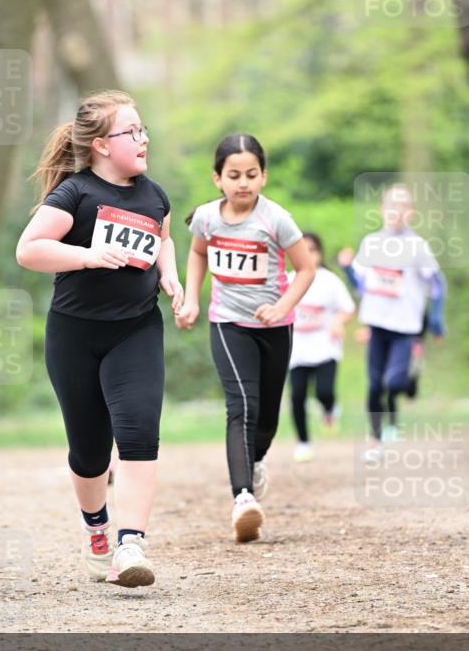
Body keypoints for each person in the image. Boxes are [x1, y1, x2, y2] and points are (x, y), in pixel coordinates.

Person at [16, 90, 182, 588]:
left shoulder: (154, 195)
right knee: (89, 452)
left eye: (143, 128)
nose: (143, 138)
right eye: (132, 132)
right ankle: (97, 529)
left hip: (136, 329)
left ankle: (131, 544)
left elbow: (164, 238)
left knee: (137, 429)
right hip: (74, 335)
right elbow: (29, 249)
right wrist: (87, 255)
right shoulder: (75, 194)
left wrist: (168, 275)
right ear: (103, 145)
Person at [175, 134, 314, 542]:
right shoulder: (206, 217)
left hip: (274, 327)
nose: (243, 183)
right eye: (234, 175)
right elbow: (199, 253)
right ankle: (242, 498)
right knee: (242, 406)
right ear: (217, 178)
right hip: (229, 322)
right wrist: (193, 300)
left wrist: (282, 307)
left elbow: (304, 269)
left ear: (263, 176)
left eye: (251, 175)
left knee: (267, 418)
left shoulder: (276, 220)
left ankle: (253, 464)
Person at [338, 183, 445, 460]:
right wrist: (348, 268)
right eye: (391, 206)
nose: (396, 212)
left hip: (406, 327)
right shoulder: (371, 243)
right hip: (376, 323)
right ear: (382, 210)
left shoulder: (417, 246)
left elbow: (437, 283)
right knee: (375, 385)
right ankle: (375, 441)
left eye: (402, 207)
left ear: (411, 213)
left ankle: (409, 378)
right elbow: (361, 283)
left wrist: (435, 318)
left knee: (393, 382)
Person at [288, 232, 355, 462]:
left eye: (312, 250)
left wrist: (337, 321)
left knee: (324, 392)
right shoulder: (287, 279)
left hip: (325, 347)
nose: (308, 254)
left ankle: (329, 409)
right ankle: (303, 443)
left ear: (319, 253)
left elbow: (347, 308)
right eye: (302, 249)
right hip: (297, 350)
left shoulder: (329, 280)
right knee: (297, 396)